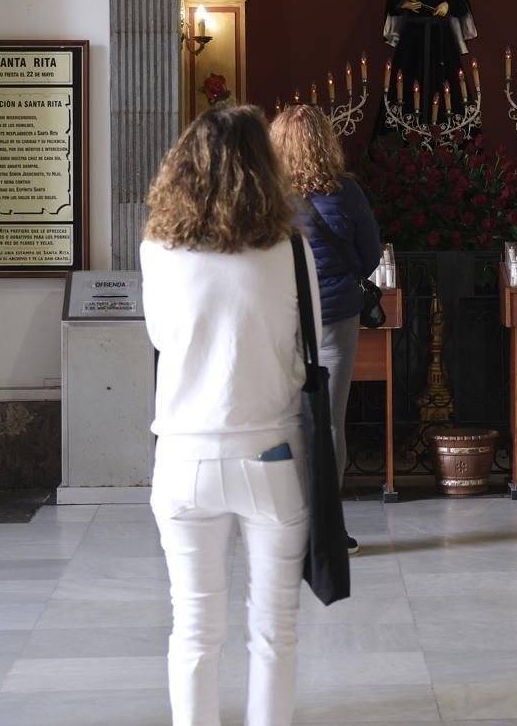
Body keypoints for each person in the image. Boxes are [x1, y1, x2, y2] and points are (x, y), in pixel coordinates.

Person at [141, 104, 319, 726]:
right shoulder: (290, 250)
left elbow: (162, 337)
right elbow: (312, 346)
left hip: (184, 455)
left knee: (192, 628)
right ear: (265, 170)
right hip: (269, 450)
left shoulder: (157, 249)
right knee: (274, 630)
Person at [270, 104, 382, 554]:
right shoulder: (347, 193)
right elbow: (370, 253)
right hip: (335, 316)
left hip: (280, 318)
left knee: (286, 420)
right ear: (324, 143)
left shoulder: (265, 197)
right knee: (330, 424)